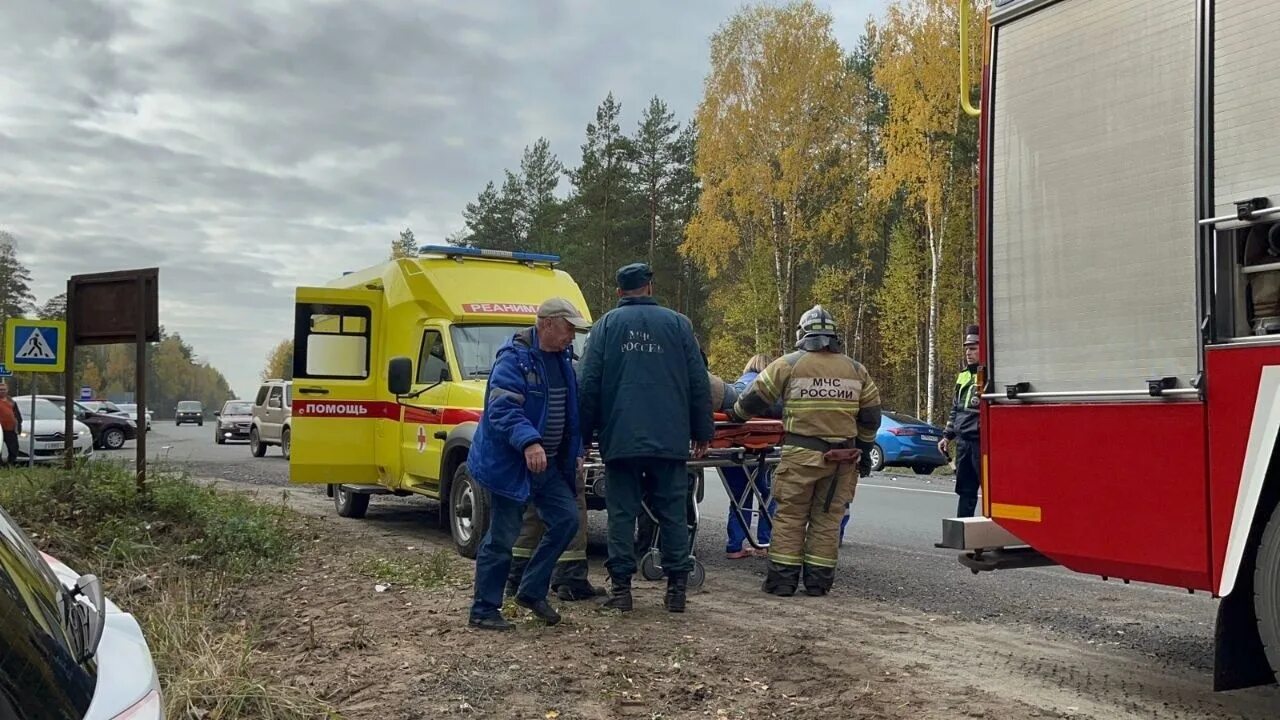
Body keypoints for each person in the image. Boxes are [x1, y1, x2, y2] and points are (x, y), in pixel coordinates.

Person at [578, 262, 712, 613]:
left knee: (621, 513)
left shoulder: (605, 326)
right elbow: (699, 381)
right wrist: (703, 431)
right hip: (669, 438)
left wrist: (583, 436)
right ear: (649, 288)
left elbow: (588, 384)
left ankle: (622, 591)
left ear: (620, 292)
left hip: (621, 438)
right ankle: (677, 590)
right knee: (672, 512)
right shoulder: (679, 325)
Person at [728, 305, 882, 597]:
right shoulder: (856, 369)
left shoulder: (788, 364)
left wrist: (735, 416)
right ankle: (818, 583)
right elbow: (871, 416)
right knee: (827, 520)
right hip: (842, 460)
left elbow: (755, 398)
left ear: (803, 334)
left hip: (801, 456)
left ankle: (783, 582)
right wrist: (862, 450)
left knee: (790, 517)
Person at [467, 298, 591, 631]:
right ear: (547, 324)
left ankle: (532, 590)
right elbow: (504, 409)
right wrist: (530, 441)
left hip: (546, 465)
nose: (572, 337)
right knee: (503, 536)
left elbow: (570, 414)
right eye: (569, 329)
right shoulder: (514, 359)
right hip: (511, 465)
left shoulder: (562, 360)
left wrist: (577, 449)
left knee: (567, 519)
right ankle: (483, 610)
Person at [723, 354, 776, 559]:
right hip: (760, 449)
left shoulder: (734, 387)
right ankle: (763, 542)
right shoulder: (769, 390)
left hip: (731, 449)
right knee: (768, 496)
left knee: (739, 498)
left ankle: (734, 545)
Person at [940, 325, 982, 517]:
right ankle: (964, 531)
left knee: (991, 492)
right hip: (964, 443)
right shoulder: (964, 375)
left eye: (973, 348)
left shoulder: (991, 374)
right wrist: (947, 436)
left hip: (983, 443)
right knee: (966, 490)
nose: (968, 352)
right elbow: (955, 408)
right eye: (967, 348)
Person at [0, 383, 21, 467]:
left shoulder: (11, 401)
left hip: (10, 429)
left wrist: (18, 425)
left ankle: (10, 464)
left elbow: (17, 415)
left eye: (4, 389)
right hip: (0, 429)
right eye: (0, 389)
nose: (2, 391)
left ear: (7, 390)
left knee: (14, 448)